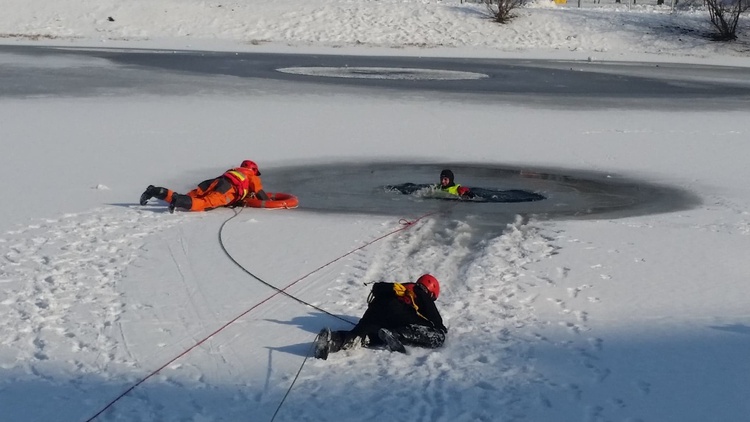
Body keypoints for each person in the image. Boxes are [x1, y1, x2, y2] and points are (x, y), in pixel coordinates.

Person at [314, 274, 447, 360]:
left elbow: (377, 288)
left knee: (360, 335)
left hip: (374, 311)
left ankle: (331, 340)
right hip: (396, 312)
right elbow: (435, 320)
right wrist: (441, 328)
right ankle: (397, 335)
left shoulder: (401, 287)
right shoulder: (421, 292)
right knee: (439, 337)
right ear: (431, 292)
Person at [139, 160, 270, 213]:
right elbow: (259, 193)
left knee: (190, 196)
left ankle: (155, 191)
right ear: (253, 169)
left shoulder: (235, 170)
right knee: (203, 203)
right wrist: (270, 202)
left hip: (214, 183)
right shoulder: (252, 176)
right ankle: (177, 201)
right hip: (226, 190)